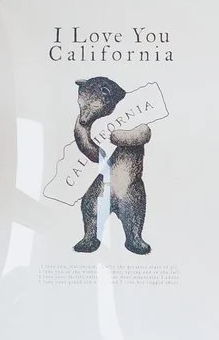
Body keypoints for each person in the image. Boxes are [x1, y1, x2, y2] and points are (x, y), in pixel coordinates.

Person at [57, 72, 165, 255]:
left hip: (128, 181)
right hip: (104, 181)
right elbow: (91, 150)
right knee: (90, 204)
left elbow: (144, 133)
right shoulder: (90, 118)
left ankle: (134, 238)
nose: (84, 115)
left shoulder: (135, 110)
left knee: (133, 206)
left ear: (106, 94)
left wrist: (121, 137)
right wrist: (82, 134)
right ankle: (90, 236)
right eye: (81, 107)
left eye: (89, 107)